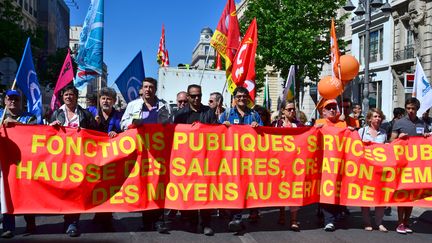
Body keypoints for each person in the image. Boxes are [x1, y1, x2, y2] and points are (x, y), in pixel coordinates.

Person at [120, 77, 172, 233]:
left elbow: (171, 126)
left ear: (155, 89)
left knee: (158, 186)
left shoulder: (164, 105)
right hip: (141, 153)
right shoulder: (133, 105)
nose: (148, 89)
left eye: (151, 87)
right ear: (141, 89)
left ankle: (159, 221)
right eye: (145, 87)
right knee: (144, 185)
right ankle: (146, 221)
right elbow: (123, 124)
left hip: (159, 153)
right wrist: (133, 124)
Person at [49, 84, 97, 237]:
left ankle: (72, 222)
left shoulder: (85, 114)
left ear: (76, 97)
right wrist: (52, 127)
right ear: (62, 97)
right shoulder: (56, 113)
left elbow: (95, 133)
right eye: (66, 95)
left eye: (71, 94)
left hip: (79, 159)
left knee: (75, 190)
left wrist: (85, 132)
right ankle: (67, 219)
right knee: (64, 191)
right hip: (61, 159)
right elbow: (48, 135)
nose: (69, 97)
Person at [174, 84, 218, 236]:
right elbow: (174, 136)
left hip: (206, 160)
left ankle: (206, 223)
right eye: (193, 96)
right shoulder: (180, 115)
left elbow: (217, 133)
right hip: (188, 161)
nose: (197, 98)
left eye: (199, 95)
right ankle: (192, 222)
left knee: (206, 192)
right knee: (191, 192)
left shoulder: (209, 112)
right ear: (188, 96)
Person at [219, 86, 263, 232]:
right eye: (238, 96)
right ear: (234, 98)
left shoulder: (255, 115)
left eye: (244, 96)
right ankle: (236, 217)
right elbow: (215, 134)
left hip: (250, 159)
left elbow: (264, 136)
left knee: (247, 187)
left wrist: (258, 128)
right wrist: (222, 127)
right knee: (234, 187)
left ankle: (242, 215)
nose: (242, 99)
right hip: (231, 159)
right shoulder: (226, 115)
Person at [390, 97, 431, 234]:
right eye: (408, 108)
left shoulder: (422, 123)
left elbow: (424, 141)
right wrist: (398, 137)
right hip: (403, 164)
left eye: (413, 108)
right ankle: (400, 222)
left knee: (412, 195)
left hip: (416, 166)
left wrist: (425, 136)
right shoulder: (400, 122)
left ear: (417, 109)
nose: (410, 111)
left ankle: (406, 222)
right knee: (402, 193)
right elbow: (391, 140)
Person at [0, 90, 37, 239]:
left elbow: (36, 133)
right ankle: (8, 227)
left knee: (26, 193)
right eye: (10, 99)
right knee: (6, 194)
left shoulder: (29, 117)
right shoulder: (1, 115)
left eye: (16, 99)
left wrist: (17, 124)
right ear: (5, 101)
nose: (13, 101)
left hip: (25, 162)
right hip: (5, 164)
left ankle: (30, 222)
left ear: (21, 101)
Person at [315, 99, 353, 232]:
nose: (332, 110)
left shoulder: (342, 124)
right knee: (327, 190)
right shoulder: (319, 123)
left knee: (337, 190)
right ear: (323, 111)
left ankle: (333, 216)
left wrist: (351, 132)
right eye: (329, 108)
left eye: (334, 107)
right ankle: (329, 220)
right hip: (324, 164)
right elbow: (311, 139)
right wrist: (314, 130)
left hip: (339, 163)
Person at [92, 87, 123, 231]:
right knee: (95, 185)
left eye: (109, 99)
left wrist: (116, 133)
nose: (106, 101)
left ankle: (106, 215)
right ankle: (97, 213)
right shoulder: (91, 113)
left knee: (109, 186)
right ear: (99, 100)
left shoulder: (119, 115)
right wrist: (94, 124)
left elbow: (125, 131)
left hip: (112, 157)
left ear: (114, 101)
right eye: (103, 98)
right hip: (94, 156)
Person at [272, 100, 303, 231]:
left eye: (293, 109)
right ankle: (282, 213)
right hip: (279, 164)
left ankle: (294, 219)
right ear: (283, 111)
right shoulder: (276, 125)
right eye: (289, 109)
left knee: (294, 191)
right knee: (282, 190)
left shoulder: (299, 125)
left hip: (295, 164)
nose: (292, 112)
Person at [357, 108, 388, 232]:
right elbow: (355, 147)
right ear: (369, 119)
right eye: (375, 116)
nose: (378, 119)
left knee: (381, 196)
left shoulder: (384, 133)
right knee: (366, 196)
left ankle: (379, 222)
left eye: (379, 116)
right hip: (365, 169)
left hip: (380, 170)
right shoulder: (362, 131)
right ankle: (367, 221)